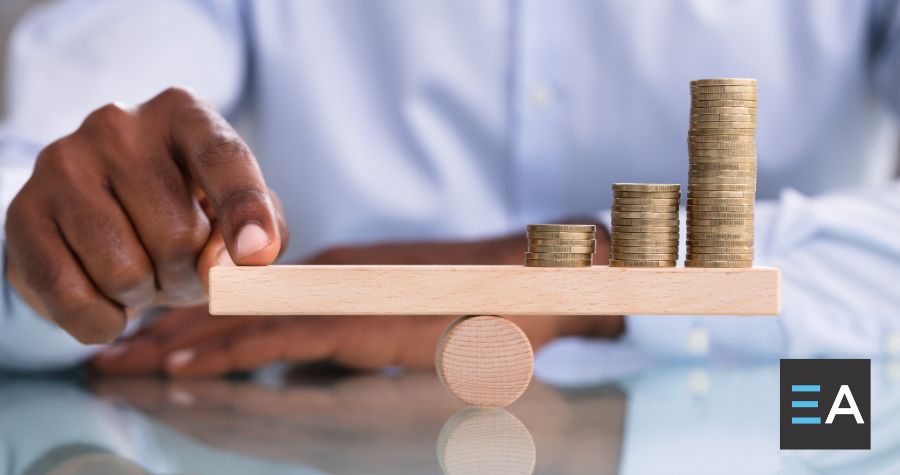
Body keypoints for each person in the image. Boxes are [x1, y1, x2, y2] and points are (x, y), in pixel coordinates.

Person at [0, 0, 898, 376]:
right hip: (296, 416)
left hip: (793, 417)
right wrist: (68, 233)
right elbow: (39, 166)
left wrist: (574, 276)